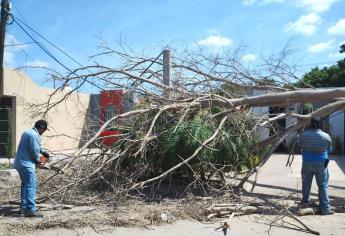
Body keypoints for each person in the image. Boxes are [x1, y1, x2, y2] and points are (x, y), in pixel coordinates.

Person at [14, 120, 50, 218]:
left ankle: (23, 208)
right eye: (44, 130)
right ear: (41, 128)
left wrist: (43, 152)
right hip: (27, 165)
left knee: (25, 185)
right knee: (31, 185)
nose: (44, 132)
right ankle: (31, 209)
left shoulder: (27, 132)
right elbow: (34, 152)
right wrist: (41, 161)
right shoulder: (35, 135)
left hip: (19, 163)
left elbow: (34, 147)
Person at [299, 117, 333, 215]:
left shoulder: (303, 135)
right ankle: (325, 208)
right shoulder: (326, 136)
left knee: (306, 184)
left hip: (307, 162)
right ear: (320, 124)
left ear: (310, 124)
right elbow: (329, 150)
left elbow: (300, 146)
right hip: (322, 163)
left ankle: (305, 203)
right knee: (323, 185)